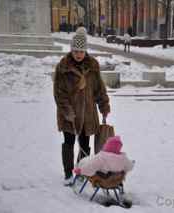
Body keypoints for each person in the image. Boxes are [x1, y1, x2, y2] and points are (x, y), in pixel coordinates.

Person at [53, 27, 110, 186]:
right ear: (71, 50)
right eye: (76, 51)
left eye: (81, 51)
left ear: (85, 51)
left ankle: (81, 171)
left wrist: (104, 106)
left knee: (85, 144)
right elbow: (59, 93)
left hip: (88, 115)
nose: (78, 54)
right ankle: (68, 174)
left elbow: (99, 89)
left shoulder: (92, 66)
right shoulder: (63, 67)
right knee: (69, 142)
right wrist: (67, 112)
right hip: (69, 115)